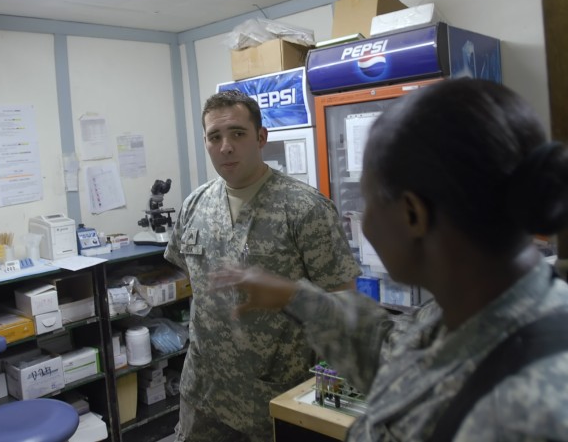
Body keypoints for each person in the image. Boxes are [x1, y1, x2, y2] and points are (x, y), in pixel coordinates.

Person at [212, 78, 568, 441]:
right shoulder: (469, 308)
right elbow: (391, 353)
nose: (363, 222)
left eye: (367, 201)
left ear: (412, 214)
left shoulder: (516, 415)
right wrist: (294, 296)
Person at [164, 89, 360, 441]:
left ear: (261, 137)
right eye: (215, 137)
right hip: (203, 393)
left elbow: (342, 304)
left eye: (238, 133)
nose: (226, 146)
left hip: (274, 397)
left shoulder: (304, 209)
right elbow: (193, 281)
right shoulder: (195, 205)